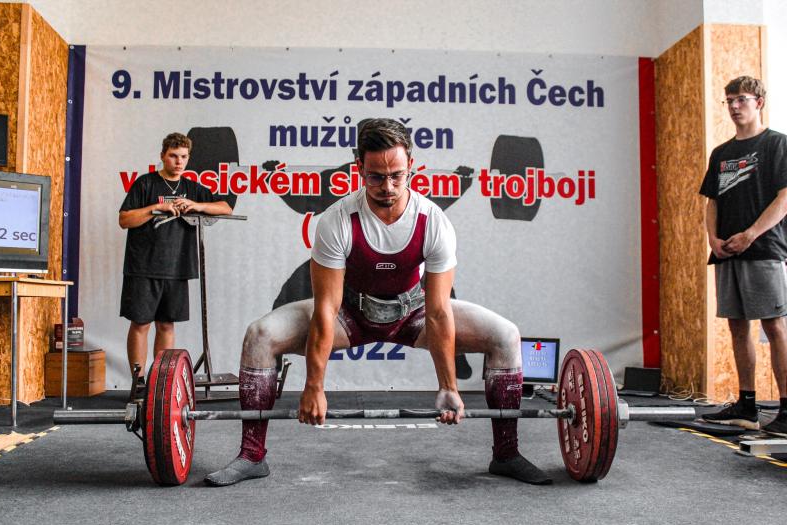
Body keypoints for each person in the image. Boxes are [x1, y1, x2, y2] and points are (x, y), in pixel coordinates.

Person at [205, 118, 551, 486]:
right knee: (260, 335)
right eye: (376, 177)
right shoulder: (337, 220)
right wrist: (314, 387)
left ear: (411, 166)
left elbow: (437, 311)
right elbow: (326, 308)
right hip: (349, 314)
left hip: (414, 314)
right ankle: (252, 455)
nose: (387, 187)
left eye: (397, 176)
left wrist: (448, 386)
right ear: (359, 168)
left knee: (505, 335)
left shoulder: (433, 221)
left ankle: (506, 453)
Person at [699, 76, 787, 436]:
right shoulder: (721, 154)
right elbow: (712, 201)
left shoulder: (777, 144)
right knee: (737, 326)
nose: (735, 106)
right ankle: (747, 406)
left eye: (742, 99)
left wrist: (751, 234)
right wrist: (713, 239)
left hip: (763, 249)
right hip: (726, 252)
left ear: (759, 102)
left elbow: (784, 198)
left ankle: (786, 410)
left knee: (774, 326)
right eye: (730, 100)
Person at [119, 132, 233, 388]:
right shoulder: (145, 183)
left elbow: (226, 207)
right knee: (140, 323)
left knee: (167, 325)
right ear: (163, 156)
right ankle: (138, 383)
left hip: (177, 267)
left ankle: (160, 382)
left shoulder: (192, 188)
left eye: (183, 157)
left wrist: (197, 205)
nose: (178, 162)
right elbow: (124, 219)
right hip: (143, 267)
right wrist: (155, 208)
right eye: (173, 156)